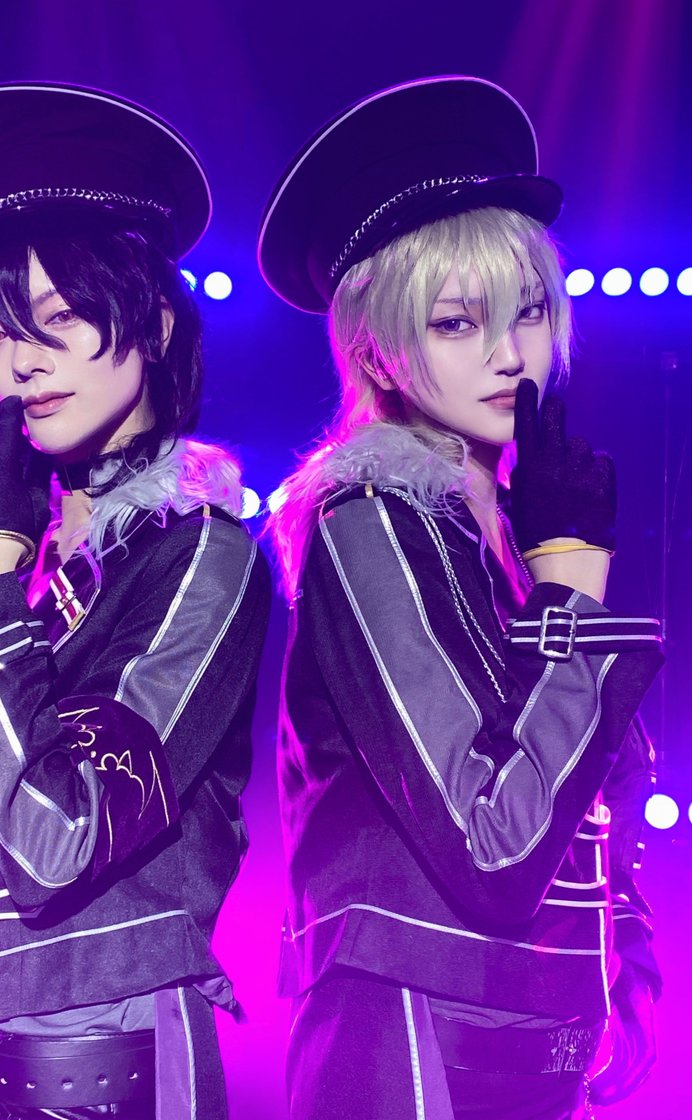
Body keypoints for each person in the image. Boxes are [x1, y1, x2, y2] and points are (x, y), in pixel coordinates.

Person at [257, 77, 663, 1120]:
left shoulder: (506, 534)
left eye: (529, 310)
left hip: (536, 1037)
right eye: (455, 321)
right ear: (378, 347)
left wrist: (621, 967)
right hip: (407, 1040)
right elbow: (497, 838)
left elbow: (585, 801)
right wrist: (574, 582)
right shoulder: (369, 519)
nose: (509, 354)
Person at [0, 82, 271, 1120]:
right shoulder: (37, 569)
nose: (23, 361)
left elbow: (58, 839)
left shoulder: (201, 555)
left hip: (106, 1068)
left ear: (157, 324)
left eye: (61, 317)